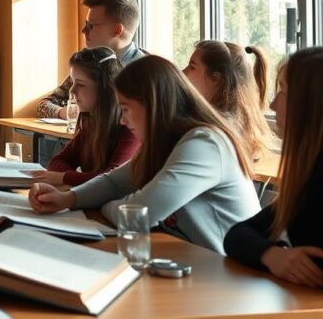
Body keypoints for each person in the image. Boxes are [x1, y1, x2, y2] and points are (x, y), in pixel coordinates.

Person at [29, 55, 259, 254]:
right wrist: (67, 199)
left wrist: (101, 207)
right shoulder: (166, 141)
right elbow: (114, 182)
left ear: (152, 104)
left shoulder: (205, 144)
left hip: (226, 274)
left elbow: (139, 214)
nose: (122, 119)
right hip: (192, 260)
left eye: (126, 108)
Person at [224, 48, 323, 287]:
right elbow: (237, 235)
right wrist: (272, 254)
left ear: (309, 105)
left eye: (283, 92)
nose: (272, 104)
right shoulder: (308, 173)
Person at [30, 47, 139, 186]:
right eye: (73, 82)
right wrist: (75, 178)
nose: (72, 90)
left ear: (104, 89)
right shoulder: (91, 123)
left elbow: (112, 179)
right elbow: (57, 161)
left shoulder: (130, 127)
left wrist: (65, 178)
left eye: (80, 84)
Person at [37, 0, 145, 119]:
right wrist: (63, 112)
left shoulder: (146, 72)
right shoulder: (89, 64)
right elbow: (43, 105)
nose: (83, 30)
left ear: (117, 31)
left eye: (90, 26)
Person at [182, 40, 274, 160]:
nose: (183, 72)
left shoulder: (213, 135)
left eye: (192, 67)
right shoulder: (236, 125)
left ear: (216, 78)